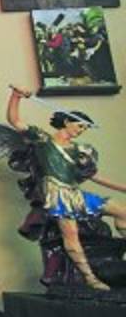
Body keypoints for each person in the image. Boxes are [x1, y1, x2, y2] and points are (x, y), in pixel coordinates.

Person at [7, 85, 126, 291]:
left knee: (121, 210)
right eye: (80, 126)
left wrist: (123, 188)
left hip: (74, 193)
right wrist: (16, 97)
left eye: (84, 129)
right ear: (68, 122)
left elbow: (93, 176)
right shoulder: (43, 140)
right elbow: (15, 121)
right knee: (70, 235)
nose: (81, 132)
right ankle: (90, 278)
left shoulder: (79, 150)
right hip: (57, 194)